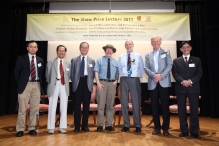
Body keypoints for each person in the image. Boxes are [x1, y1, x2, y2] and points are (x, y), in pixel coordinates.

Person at [172, 41, 202, 138]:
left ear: (190, 48)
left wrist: (190, 81)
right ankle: (184, 131)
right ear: (181, 49)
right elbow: (175, 74)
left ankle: (194, 131)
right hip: (181, 88)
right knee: (181, 111)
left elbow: (199, 74)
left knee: (194, 111)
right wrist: (183, 81)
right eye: (183, 47)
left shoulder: (196, 60)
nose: (186, 49)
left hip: (193, 88)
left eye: (187, 47)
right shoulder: (176, 61)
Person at [14, 41, 44, 137]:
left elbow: (41, 74)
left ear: (37, 49)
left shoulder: (40, 60)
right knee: (22, 109)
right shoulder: (21, 59)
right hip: (25, 85)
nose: (33, 48)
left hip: (36, 85)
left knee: (34, 109)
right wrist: (21, 83)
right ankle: (20, 129)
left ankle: (32, 128)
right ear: (27, 48)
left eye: (35, 47)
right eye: (31, 47)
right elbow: (16, 73)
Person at [144, 36, 172, 136]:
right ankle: (157, 127)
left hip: (163, 81)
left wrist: (161, 76)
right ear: (151, 43)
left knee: (165, 106)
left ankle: (165, 128)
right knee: (154, 107)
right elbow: (146, 67)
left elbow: (169, 65)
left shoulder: (165, 52)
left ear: (160, 42)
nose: (156, 43)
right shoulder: (148, 55)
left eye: (157, 41)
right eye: (154, 41)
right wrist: (154, 75)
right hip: (153, 82)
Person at [117, 40, 144, 133]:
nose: (128, 46)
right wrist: (123, 76)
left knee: (136, 102)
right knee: (124, 102)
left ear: (133, 45)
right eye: (126, 44)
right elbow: (119, 68)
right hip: (124, 79)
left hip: (134, 79)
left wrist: (136, 77)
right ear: (125, 46)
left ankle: (137, 125)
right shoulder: (121, 57)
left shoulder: (138, 56)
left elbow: (141, 68)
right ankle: (126, 124)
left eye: (130, 44)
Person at [70, 42, 95, 132]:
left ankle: (85, 126)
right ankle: (77, 126)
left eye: (86, 48)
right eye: (82, 47)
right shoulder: (74, 60)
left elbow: (92, 74)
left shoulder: (92, 61)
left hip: (87, 83)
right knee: (76, 106)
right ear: (80, 48)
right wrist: (75, 81)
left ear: (88, 49)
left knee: (86, 106)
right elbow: (71, 74)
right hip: (77, 83)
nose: (84, 49)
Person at [46, 45, 71, 134]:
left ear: (65, 52)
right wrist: (52, 82)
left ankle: (62, 127)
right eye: (59, 51)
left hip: (64, 85)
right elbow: (47, 75)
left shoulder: (68, 63)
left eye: (63, 51)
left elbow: (69, 75)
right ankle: (51, 127)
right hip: (54, 84)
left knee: (64, 106)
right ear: (56, 52)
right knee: (52, 106)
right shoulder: (50, 62)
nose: (61, 52)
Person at [94, 44, 119, 132]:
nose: (109, 51)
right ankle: (100, 125)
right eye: (107, 49)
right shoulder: (99, 60)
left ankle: (109, 124)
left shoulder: (116, 61)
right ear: (105, 51)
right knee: (100, 105)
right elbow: (96, 71)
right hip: (102, 83)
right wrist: (98, 83)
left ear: (113, 51)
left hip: (112, 84)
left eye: (110, 50)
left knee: (110, 105)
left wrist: (116, 80)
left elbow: (117, 72)